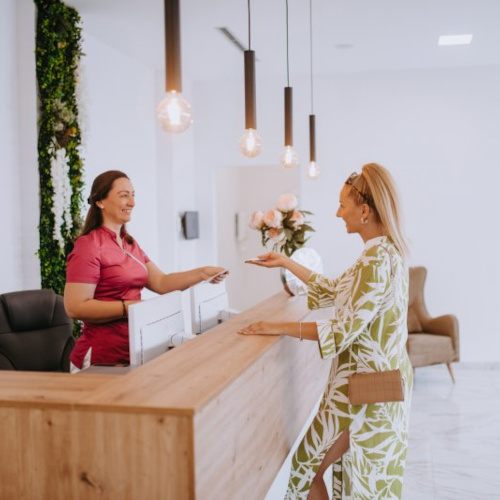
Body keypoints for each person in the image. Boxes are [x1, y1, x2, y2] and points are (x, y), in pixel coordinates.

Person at [240, 163, 413, 499]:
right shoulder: (379, 253)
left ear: (364, 211)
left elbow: (342, 328)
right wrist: (286, 262)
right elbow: (335, 290)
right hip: (371, 386)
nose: (337, 213)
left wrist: (274, 327)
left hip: (366, 389)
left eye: (342, 204)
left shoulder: (376, 261)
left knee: (307, 466)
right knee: (325, 468)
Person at [64, 170, 227, 371]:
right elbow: (75, 307)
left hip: (136, 351)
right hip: (102, 357)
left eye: (133, 195)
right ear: (100, 202)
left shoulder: (130, 244)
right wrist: (129, 307)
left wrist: (202, 273)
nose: (132, 202)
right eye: (124, 195)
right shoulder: (89, 246)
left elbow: (161, 282)